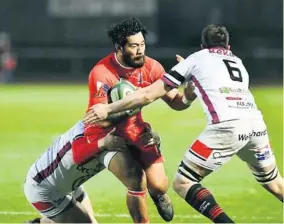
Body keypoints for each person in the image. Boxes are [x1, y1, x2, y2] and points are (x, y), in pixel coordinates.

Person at [84, 24, 284, 223]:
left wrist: (109, 108)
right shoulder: (238, 62)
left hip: (227, 128)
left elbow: (147, 96)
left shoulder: (196, 58)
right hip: (257, 127)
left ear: (201, 45)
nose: (140, 50)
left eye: (142, 44)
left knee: (183, 182)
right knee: (275, 184)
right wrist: (188, 94)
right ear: (228, 46)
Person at [83, 17, 190, 223]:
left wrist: (190, 85)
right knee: (136, 179)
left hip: (137, 132)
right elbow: (100, 121)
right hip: (108, 137)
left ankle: (158, 194)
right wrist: (138, 101)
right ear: (119, 47)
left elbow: (177, 103)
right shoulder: (101, 73)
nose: (140, 50)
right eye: (134, 46)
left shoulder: (152, 67)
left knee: (159, 185)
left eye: (142, 44)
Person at [24, 121, 128, 223]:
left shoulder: (119, 134)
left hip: (69, 184)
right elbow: (78, 155)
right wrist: (102, 144)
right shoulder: (86, 131)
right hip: (44, 187)